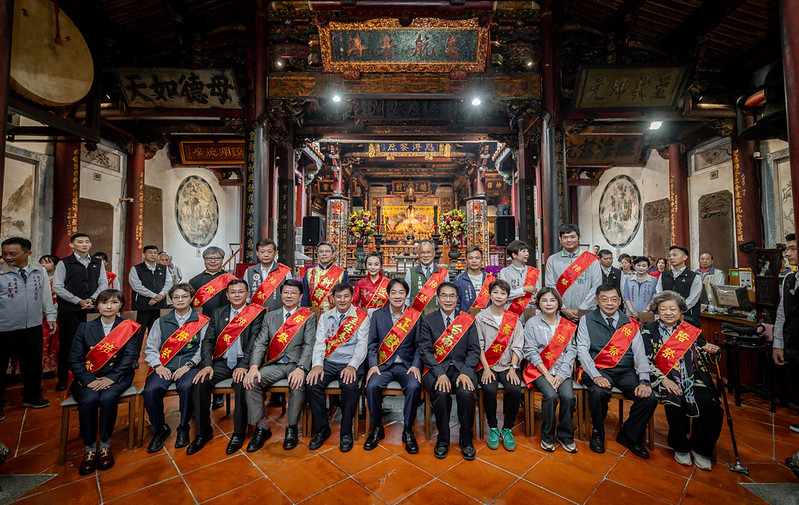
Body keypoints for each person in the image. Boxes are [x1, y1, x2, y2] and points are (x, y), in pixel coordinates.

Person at [641, 290, 723, 470]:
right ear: (657, 311)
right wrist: (663, 380)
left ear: (680, 311)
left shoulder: (690, 330)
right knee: (674, 400)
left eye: (673, 309)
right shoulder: (650, 329)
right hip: (665, 377)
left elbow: (704, 355)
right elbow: (646, 360)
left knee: (709, 404)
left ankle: (701, 448)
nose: (668, 313)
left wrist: (712, 351)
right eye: (663, 309)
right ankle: (680, 446)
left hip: (693, 377)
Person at [576, 284, 657, 458]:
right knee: (598, 392)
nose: (609, 303)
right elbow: (582, 350)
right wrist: (595, 376)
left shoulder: (630, 323)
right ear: (597, 300)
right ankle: (598, 433)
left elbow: (640, 353)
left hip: (625, 371)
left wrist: (644, 380)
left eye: (613, 299)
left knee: (648, 398)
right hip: (598, 368)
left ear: (620, 300)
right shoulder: (587, 320)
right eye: (604, 299)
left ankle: (629, 436)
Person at [187, 279, 265, 455]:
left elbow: (254, 342)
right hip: (222, 362)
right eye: (233, 292)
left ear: (247, 294)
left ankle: (238, 433)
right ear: (227, 295)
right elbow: (208, 340)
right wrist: (207, 365)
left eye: (240, 291)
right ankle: (203, 432)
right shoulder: (218, 312)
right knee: (200, 382)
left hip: (243, 361)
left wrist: (244, 365)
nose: (237, 295)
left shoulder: (256, 313)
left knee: (242, 384)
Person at [68, 289, 139, 474]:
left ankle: (105, 444)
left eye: (114, 302)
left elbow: (130, 356)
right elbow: (75, 359)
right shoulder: (84, 328)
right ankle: (90, 447)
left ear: (121, 306)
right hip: (88, 377)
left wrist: (111, 378)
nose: (109, 306)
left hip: (117, 376)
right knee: (89, 399)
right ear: (97, 305)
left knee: (107, 398)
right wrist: (88, 380)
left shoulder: (128, 327)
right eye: (104, 302)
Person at [244, 279, 316, 452]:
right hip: (274, 364)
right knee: (251, 382)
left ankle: (291, 428)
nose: (289, 296)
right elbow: (261, 343)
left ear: (300, 296)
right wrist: (253, 366)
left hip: (296, 364)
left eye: (293, 293)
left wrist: (301, 368)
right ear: (281, 294)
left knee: (298, 384)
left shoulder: (308, 316)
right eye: (286, 292)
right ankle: (261, 427)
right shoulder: (270, 316)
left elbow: (309, 345)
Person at [142, 283, 209, 452]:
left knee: (187, 386)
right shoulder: (160, 321)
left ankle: (183, 427)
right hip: (164, 366)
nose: (180, 300)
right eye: (176, 297)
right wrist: (158, 366)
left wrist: (189, 365)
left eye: (184, 296)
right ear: (171, 300)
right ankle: (159, 430)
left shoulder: (202, 321)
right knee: (150, 390)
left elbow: (204, 348)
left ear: (191, 299)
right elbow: (151, 348)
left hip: (189, 366)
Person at [419, 282, 480, 460]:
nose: (448, 299)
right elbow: (425, 350)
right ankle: (443, 439)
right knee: (441, 392)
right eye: (444, 296)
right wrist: (440, 373)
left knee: (466, 393)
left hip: (462, 368)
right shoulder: (428, 320)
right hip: (437, 368)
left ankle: (466, 439)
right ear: (437, 298)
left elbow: (474, 350)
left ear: (457, 298)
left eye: (451, 296)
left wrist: (466, 372)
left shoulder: (467, 320)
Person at [306, 283, 369, 452]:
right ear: (333, 299)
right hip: (329, 362)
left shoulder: (361, 317)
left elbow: (362, 345)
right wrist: (317, 365)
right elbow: (320, 343)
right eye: (338, 297)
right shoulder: (325, 317)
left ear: (352, 297)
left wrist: (352, 366)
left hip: (350, 362)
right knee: (312, 384)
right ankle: (322, 429)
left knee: (350, 387)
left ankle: (346, 432)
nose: (342, 300)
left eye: (346, 296)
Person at [0, 237, 57, 419]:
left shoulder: (39, 271)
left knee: (32, 364)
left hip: (32, 326)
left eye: (13, 254)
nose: (7, 257)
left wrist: (50, 316)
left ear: (28, 253)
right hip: (4, 328)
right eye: (4, 253)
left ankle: (32, 396)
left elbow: (45, 295)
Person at [364, 278, 422, 453]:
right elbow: (372, 344)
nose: (397, 296)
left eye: (401, 292)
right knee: (372, 386)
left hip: (406, 366)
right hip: (383, 365)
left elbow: (419, 346)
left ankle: (408, 429)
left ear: (406, 295)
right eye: (393, 292)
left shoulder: (415, 315)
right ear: (388, 295)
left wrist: (416, 365)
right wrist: (373, 365)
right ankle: (376, 427)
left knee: (414, 386)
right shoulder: (377, 315)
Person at [523, 287, 578, 453]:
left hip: (562, 370)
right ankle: (547, 436)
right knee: (550, 395)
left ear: (558, 303)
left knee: (568, 397)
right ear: (538, 303)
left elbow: (571, 352)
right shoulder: (532, 323)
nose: (548, 304)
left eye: (552, 300)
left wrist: (561, 375)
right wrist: (547, 374)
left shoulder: (567, 325)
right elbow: (530, 350)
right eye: (544, 300)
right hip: (539, 370)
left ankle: (565, 435)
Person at [52, 233, 108, 390]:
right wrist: (78, 301)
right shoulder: (64, 263)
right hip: (69, 310)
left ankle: (90, 375)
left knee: (92, 343)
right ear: (72, 245)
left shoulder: (97, 262)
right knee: (68, 344)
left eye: (87, 242)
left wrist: (92, 299)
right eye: (80, 242)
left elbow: (103, 283)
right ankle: (65, 379)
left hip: (91, 309)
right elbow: (57, 287)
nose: (84, 244)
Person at [475, 279, 523, 451]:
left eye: (503, 293)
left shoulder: (514, 319)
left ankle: (507, 428)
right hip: (486, 365)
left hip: (508, 365)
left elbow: (518, 345)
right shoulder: (480, 318)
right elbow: (478, 346)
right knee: (489, 389)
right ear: (489, 294)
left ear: (507, 297)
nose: (499, 296)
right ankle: (493, 427)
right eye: (495, 292)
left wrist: (513, 368)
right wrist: (486, 369)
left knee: (514, 389)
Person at [543, 225, 602, 322]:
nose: (569, 240)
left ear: (579, 238)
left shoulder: (591, 260)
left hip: (587, 312)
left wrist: (582, 309)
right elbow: (550, 286)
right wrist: (563, 308)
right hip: (560, 313)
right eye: (565, 237)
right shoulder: (552, 260)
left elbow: (596, 286)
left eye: (572, 237)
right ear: (560, 239)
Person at [774, 233, 798, 432]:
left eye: (793, 249)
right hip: (793, 342)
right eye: (787, 249)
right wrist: (778, 343)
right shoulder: (790, 279)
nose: (787, 254)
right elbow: (782, 313)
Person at [129, 244, 172, 349]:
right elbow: (136, 286)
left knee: (156, 332)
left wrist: (160, 296)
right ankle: (135, 355)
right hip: (142, 306)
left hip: (159, 306)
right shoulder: (136, 269)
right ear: (144, 255)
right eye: (150, 253)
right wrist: (154, 296)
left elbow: (169, 283)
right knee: (139, 332)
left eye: (155, 253)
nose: (153, 255)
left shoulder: (163, 268)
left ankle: (153, 353)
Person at [656, 246, 703, 327]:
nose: (671, 258)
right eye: (670, 256)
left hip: (687, 317)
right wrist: (667, 310)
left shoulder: (694, 277)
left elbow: (693, 298)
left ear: (684, 257)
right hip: (666, 317)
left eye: (674, 255)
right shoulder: (664, 275)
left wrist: (677, 310)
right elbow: (659, 294)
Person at [244, 238, 291, 312]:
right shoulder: (249, 271)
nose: (266, 255)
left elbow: (289, 295)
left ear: (275, 252)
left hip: (278, 314)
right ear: (257, 253)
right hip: (255, 314)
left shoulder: (284, 272)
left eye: (269, 252)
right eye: (262, 252)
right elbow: (246, 296)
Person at [301, 241, 349, 311]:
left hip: (335, 313)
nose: (324, 254)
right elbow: (305, 296)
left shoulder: (341, 273)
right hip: (314, 313)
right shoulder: (310, 273)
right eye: (321, 252)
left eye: (327, 251)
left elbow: (346, 295)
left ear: (333, 254)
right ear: (317, 254)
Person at [189, 246, 236, 314]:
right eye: (209, 258)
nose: (213, 261)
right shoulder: (194, 281)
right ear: (204, 260)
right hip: (202, 318)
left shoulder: (231, 279)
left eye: (217, 258)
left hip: (225, 317)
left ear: (222, 259)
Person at [498, 240, 540, 317]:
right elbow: (503, 294)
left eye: (527, 251)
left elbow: (538, 291)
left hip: (530, 311)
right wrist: (523, 290)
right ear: (514, 255)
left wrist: (537, 299)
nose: (527, 254)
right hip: (512, 312)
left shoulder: (533, 271)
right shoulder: (505, 272)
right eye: (523, 251)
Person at [404, 239, 447, 311]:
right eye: (422, 253)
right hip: (417, 315)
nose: (426, 255)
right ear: (418, 254)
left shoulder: (443, 272)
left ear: (434, 253)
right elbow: (406, 298)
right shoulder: (411, 272)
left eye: (429, 252)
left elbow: (447, 297)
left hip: (438, 315)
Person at [454, 246, 493, 312]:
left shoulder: (490, 279)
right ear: (466, 261)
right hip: (466, 317)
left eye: (477, 258)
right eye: (470, 258)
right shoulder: (459, 279)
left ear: (482, 260)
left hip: (487, 316)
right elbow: (456, 303)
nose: (474, 261)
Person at [38, 254, 59, 375]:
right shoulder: (37, 278)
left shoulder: (59, 279)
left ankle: (49, 368)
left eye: (47, 262)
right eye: (41, 262)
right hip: (39, 315)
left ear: (55, 265)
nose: (43, 265)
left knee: (52, 342)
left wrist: (51, 311)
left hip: (54, 315)